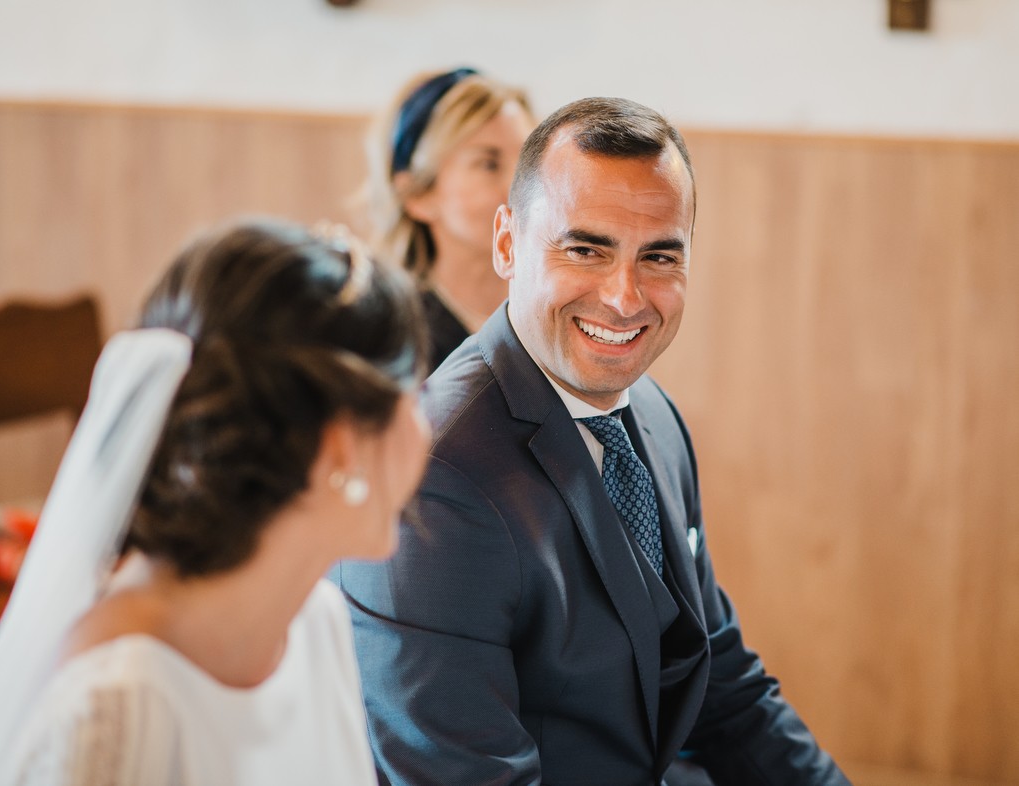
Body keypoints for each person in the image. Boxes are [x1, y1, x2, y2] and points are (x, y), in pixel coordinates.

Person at [335, 98, 851, 785]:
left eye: (660, 255)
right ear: (508, 243)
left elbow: (720, 678)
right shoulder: (431, 478)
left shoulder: (654, 417)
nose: (625, 297)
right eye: (586, 249)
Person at [0, 219, 431, 786]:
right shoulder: (120, 709)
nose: (427, 426)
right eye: (413, 395)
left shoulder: (315, 620)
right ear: (340, 449)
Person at [364, 66, 534, 372]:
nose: (520, 184)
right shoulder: (389, 346)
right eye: (488, 163)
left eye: (527, 161)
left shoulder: (555, 321)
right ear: (417, 195)